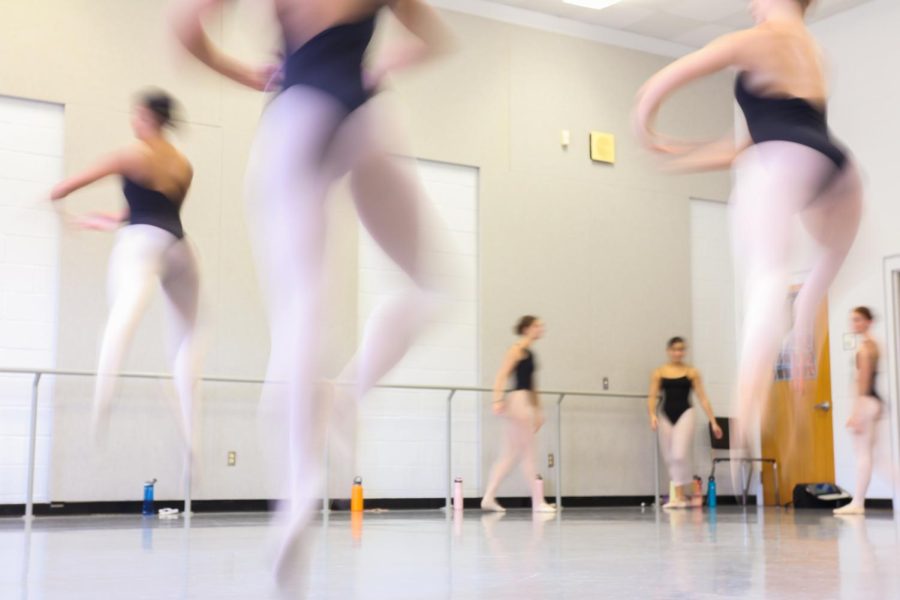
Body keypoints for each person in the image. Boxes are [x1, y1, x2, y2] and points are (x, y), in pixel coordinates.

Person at [171, 0, 456, 582]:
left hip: (297, 108)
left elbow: (184, 26)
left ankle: (296, 493)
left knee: (301, 311)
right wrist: (383, 65)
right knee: (434, 286)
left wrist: (243, 70)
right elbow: (435, 40)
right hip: (367, 114)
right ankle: (348, 392)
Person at [634, 0, 862, 445]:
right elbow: (756, 142)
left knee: (766, 277)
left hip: (781, 163)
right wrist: (683, 156)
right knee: (821, 270)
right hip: (836, 169)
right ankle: (800, 337)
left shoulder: (760, 40)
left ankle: (750, 405)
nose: (750, 5)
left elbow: (666, 79)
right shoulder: (813, 52)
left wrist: (646, 127)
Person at [50, 90, 201, 476]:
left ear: (147, 116)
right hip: (179, 249)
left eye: (136, 113)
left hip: (141, 246)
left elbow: (69, 185)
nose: (132, 119)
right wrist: (109, 219)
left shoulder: (132, 153)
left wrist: (57, 197)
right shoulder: (183, 163)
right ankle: (191, 437)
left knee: (122, 319)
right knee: (189, 337)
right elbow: (155, 209)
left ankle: (102, 405)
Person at [481, 316, 555, 513]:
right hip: (517, 402)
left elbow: (533, 386)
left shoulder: (531, 354)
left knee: (510, 455)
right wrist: (497, 400)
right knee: (527, 454)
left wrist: (538, 411)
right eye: (537, 325)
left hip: (524, 402)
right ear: (527, 328)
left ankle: (489, 497)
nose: (541, 329)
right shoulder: (516, 350)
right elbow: (501, 376)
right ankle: (538, 502)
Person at [647, 337, 723, 508]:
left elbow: (702, 398)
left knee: (679, 454)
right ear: (669, 351)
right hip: (666, 414)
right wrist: (652, 414)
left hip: (685, 413)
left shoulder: (691, 372)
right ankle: (679, 497)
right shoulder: (659, 372)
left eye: (681, 349)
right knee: (669, 457)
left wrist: (714, 422)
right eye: (674, 349)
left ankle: (683, 495)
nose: (677, 353)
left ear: (684, 351)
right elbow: (652, 396)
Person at [834, 307, 882, 516]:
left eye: (858, 320)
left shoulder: (864, 349)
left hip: (867, 402)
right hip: (874, 402)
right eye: (852, 320)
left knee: (863, 455)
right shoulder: (873, 345)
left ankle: (858, 503)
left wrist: (856, 413)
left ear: (868, 322)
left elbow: (862, 382)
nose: (854, 324)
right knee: (871, 456)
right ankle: (858, 501)